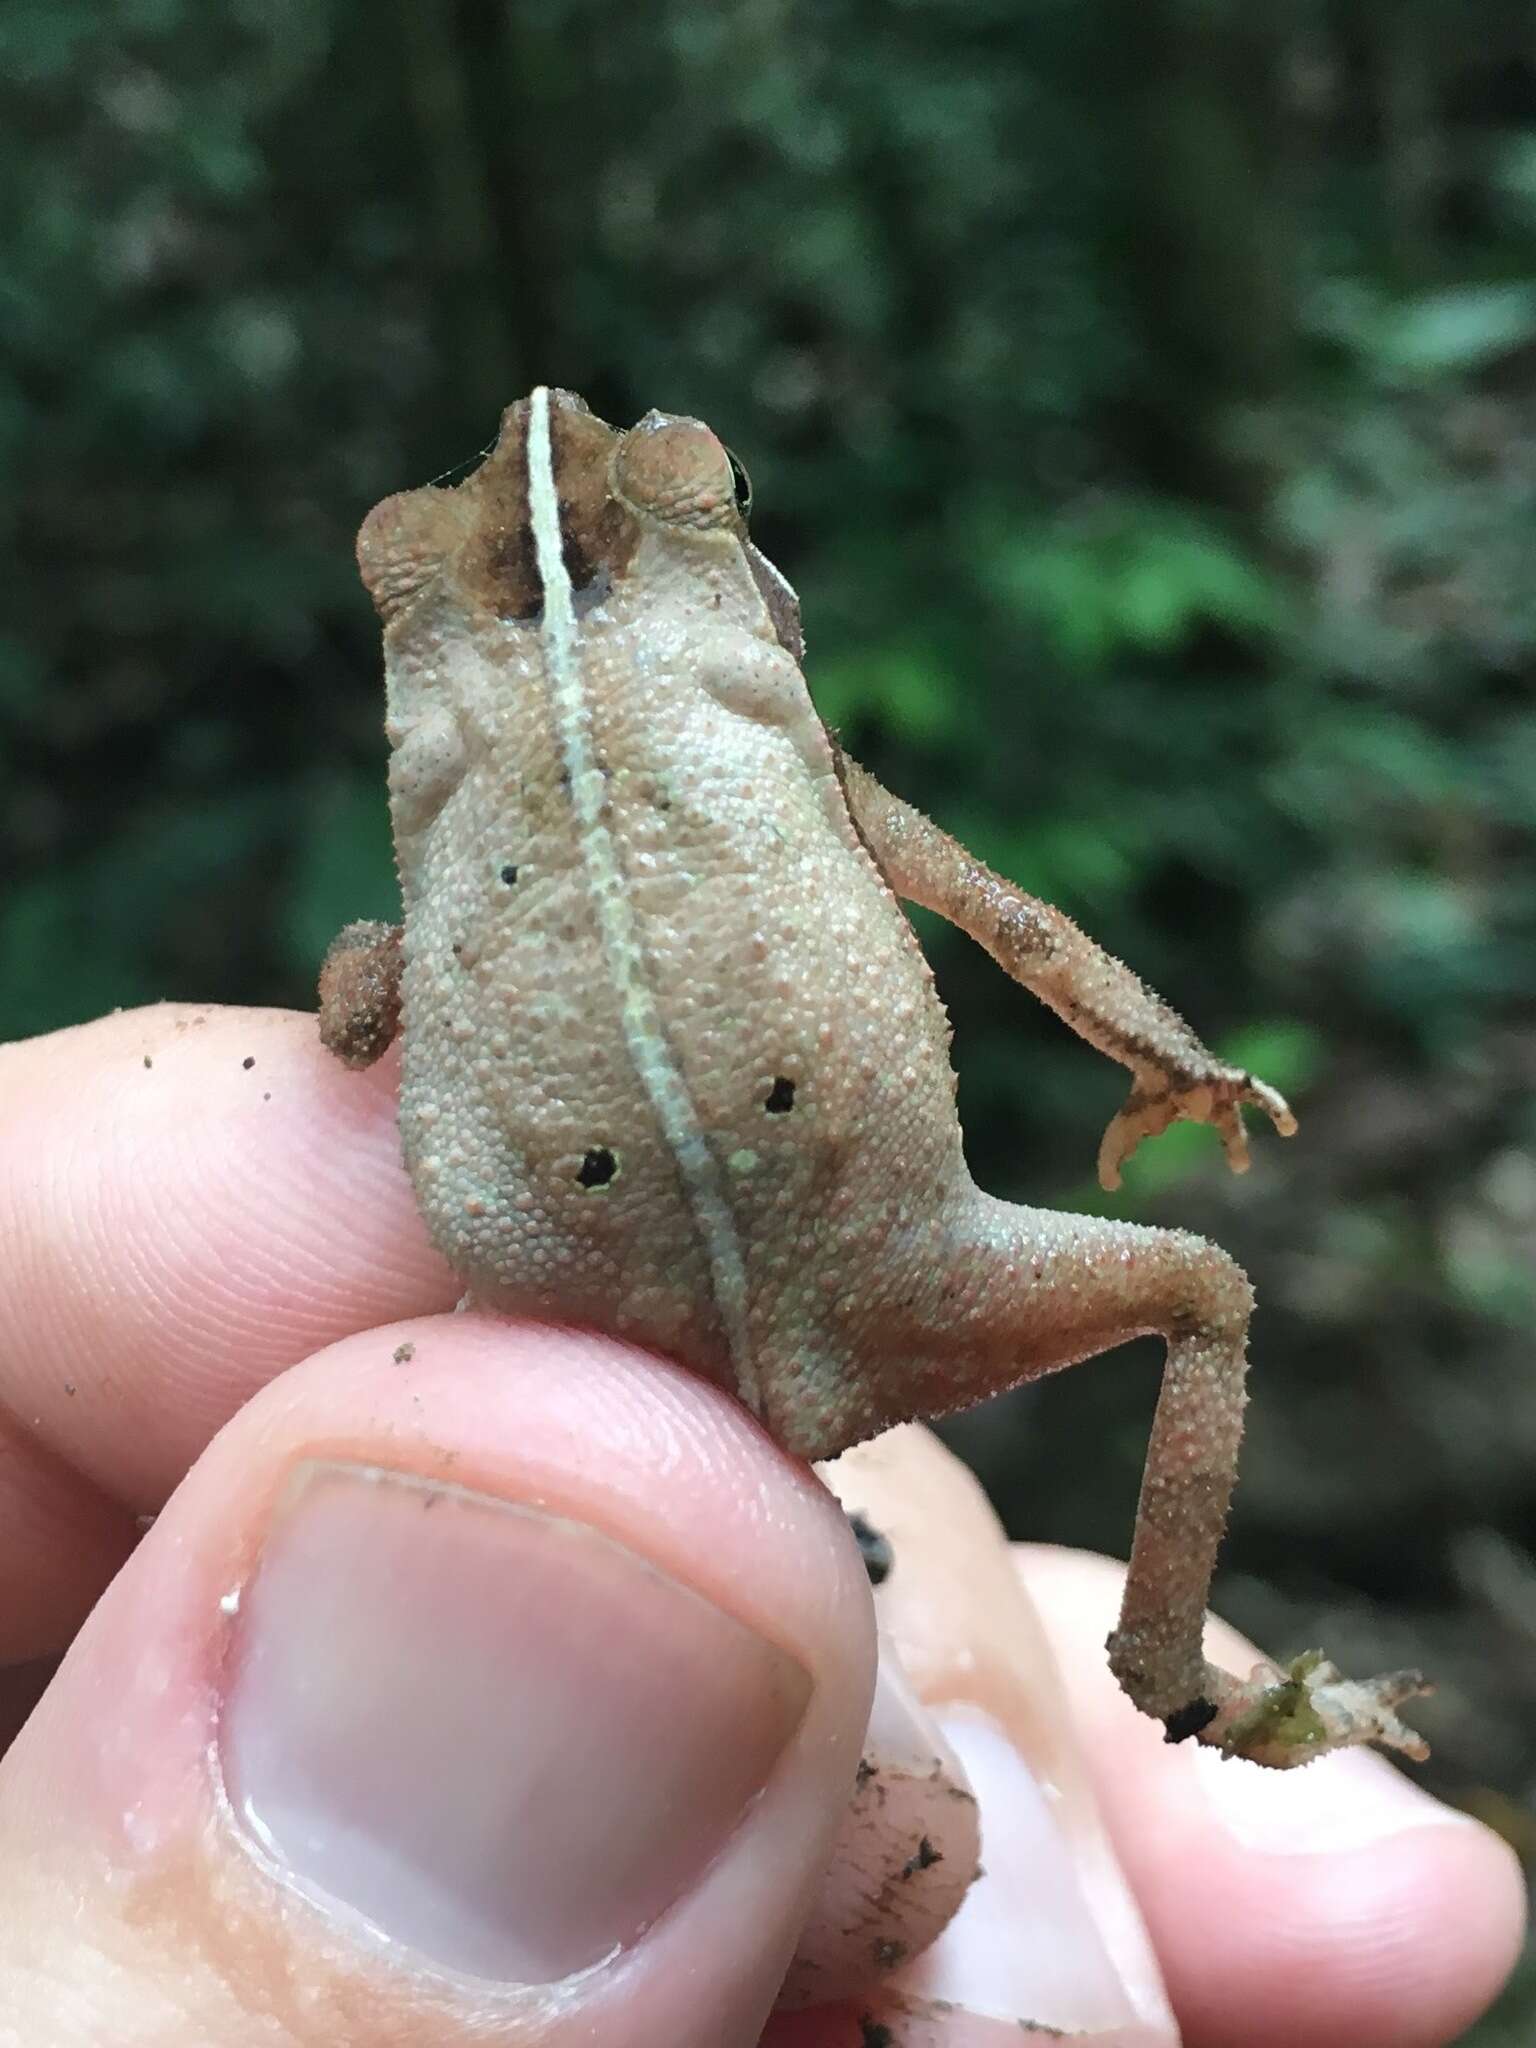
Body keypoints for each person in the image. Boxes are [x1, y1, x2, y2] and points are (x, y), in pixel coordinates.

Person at [0, 1006, 1523, 2046]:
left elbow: (353, 1013)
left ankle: (1163, 1668)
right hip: (714, 1301)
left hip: (574, 1280)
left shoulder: (515, 766)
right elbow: (986, 903)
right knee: (1179, 1299)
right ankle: (1174, 1666)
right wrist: (1166, 1060)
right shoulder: (744, 726)